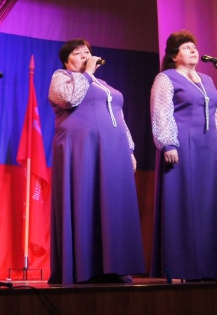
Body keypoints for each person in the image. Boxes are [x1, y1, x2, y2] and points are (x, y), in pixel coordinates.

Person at [47, 38, 145, 284]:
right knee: (85, 200)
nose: (84, 56)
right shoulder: (61, 77)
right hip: (81, 149)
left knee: (112, 204)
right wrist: (87, 74)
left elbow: (119, 115)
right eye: (77, 53)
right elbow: (69, 99)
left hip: (113, 150)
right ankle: (84, 268)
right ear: (66, 59)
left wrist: (129, 148)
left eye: (87, 52)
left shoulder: (103, 84)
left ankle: (115, 266)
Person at [150, 30, 217, 281]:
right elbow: (161, 111)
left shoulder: (207, 79)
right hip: (181, 146)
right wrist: (168, 144)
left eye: (194, 46)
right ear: (174, 56)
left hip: (208, 148)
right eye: (186, 47)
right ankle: (181, 266)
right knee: (182, 203)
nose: (193, 50)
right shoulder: (166, 78)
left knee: (209, 203)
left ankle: (212, 267)